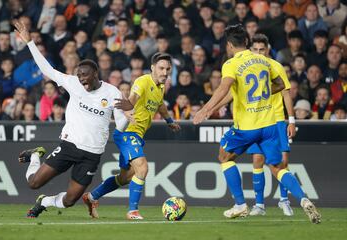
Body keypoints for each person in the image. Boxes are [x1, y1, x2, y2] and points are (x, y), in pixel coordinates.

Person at [193, 24, 321, 224]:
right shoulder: (264, 60)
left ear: (229, 45)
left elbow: (223, 87)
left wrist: (206, 109)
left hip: (247, 126)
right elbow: (280, 85)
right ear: (247, 42)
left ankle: (240, 204)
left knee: (224, 156)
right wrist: (261, 94)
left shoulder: (231, 64)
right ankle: (303, 199)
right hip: (270, 125)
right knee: (278, 166)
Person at [14, 20, 129, 218]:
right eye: (79, 75)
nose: (82, 78)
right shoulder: (73, 83)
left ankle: (44, 202)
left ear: (95, 73)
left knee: (69, 201)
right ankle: (35, 155)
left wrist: (128, 114)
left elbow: (120, 125)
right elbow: (47, 70)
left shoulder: (112, 92)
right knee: (33, 183)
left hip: (92, 154)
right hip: (70, 146)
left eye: (85, 75)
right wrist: (30, 42)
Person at [82, 52, 181, 220]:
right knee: (142, 168)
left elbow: (160, 104)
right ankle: (132, 211)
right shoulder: (143, 81)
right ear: (152, 68)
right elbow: (132, 99)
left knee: (125, 177)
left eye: (168, 69)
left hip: (136, 135)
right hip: (128, 132)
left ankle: (91, 197)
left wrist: (169, 121)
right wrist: (127, 108)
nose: (165, 72)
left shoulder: (160, 87)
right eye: (161, 68)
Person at [246, 34, 296, 216]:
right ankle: (259, 205)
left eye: (262, 49)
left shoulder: (276, 67)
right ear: (250, 50)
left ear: (268, 50)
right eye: (255, 49)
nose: (259, 53)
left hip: (276, 120)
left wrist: (291, 121)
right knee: (257, 160)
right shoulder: (247, 69)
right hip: (256, 121)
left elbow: (286, 95)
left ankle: (284, 200)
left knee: (282, 161)